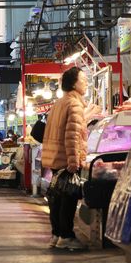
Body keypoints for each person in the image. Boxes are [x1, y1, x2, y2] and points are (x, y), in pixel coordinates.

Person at [42, 67, 88, 250]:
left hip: (54, 157)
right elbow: (72, 136)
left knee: (57, 199)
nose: (86, 83)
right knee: (67, 198)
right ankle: (66, 236)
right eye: (83, 79)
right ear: (74, 83)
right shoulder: (74, 104)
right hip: (65, 158)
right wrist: (73, 161)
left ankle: (56, 234)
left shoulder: (59, 103)